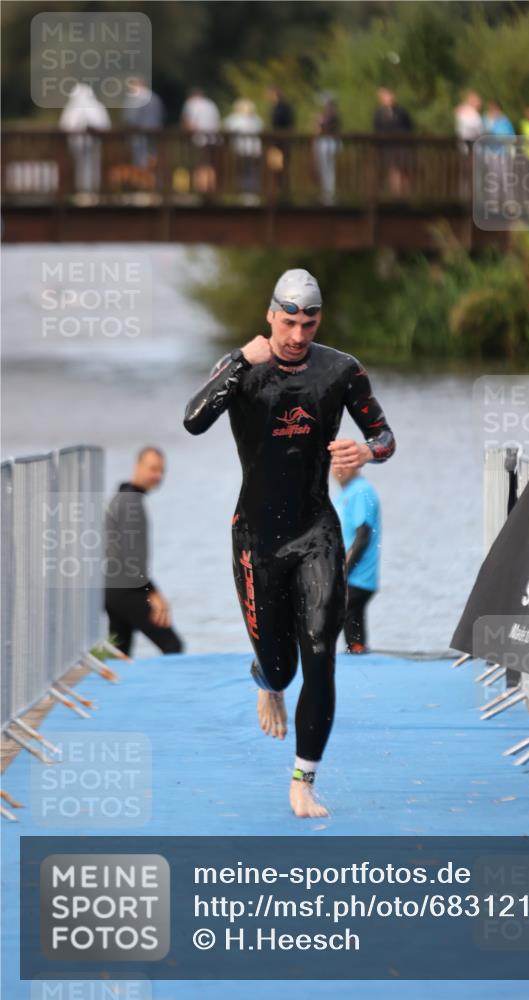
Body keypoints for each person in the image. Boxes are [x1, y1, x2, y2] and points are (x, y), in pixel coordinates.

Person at [183, 269, 396, 818]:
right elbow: (192, 420)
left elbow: (384, 435)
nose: (298, 334)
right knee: (280, 669)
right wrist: (238, 362)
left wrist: (367, 454)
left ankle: (303, 779)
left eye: (309, 322)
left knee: (321, 656)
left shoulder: (340, 370)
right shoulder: (242, 368)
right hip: (255, 537)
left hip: (315, 532)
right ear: (270, 315)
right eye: (289, 321)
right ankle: (266, 680)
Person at [104, 446, 184, 657]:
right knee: (172, 645)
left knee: (120, 654)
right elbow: (131, 559)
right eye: (152, 469)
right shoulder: (131, 502)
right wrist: (154, 594)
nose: (158, 475)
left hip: (112, 588)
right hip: (125, 588)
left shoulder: (123, 496)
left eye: (161, 470)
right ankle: (172, 690)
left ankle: (115, 689)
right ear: (137, 467)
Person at [332, 465, 381, 654]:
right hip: (350, 575)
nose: (338, 470)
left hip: (358, 576)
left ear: (356, 465)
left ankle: (358, 654)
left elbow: (363, 536)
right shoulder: (347, 493)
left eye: (344, 464)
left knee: (347, 615)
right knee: (349, 621)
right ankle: (356, 650)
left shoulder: (361, 491)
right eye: (334, 464)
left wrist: (343, 572)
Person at [59, 83, 111, 195]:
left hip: (89, 143)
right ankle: (85, 189)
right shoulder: (96, 106)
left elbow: (65, 125)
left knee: (89, 165)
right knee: (85, 165)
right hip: (82, 144)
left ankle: (88, 189)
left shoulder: (75, 107)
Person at [372, 86, 413, 197]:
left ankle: (406, 197)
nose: (387, 98)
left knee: (405, 172)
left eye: (388, 95)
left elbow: (409, 126)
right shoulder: (378, 113)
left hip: (403, 146)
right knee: (393, 172)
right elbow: (377, 130)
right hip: (388, 147)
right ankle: (396, 197)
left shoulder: (401, 111)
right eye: (384, 96)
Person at [181, 87, 222, 193]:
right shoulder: (211, 104)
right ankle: (211, 188)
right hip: (214, 139)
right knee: (210, 165)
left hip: (199, 139)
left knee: (200, 165)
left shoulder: (191, 104)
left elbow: (188, 123)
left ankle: (201, 189)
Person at [223, 98, 263, 202]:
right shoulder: (257, 119)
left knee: (244, 171)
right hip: (254, 151)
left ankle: (247, 193)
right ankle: (250, 193)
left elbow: (227, 129)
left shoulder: (235, 119)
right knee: (251, 172)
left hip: (242, 150)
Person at [121, 75, 165, 171]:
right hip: (154, 132)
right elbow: (161, 115)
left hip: (138, 135)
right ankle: (154, 181)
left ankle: (142, 182)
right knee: (153, 158)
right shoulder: (154, 97)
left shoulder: (134, 98)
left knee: (139, 161)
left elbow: (129, 118)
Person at [313, 93, 340, 204]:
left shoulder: (333, 115)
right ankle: (326, 193)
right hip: (325, 142)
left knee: (329, 169)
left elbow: (323, 128)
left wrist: (320, 122)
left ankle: (329, 194)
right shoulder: (329, 114)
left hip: (329, 142)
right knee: (324, 169)